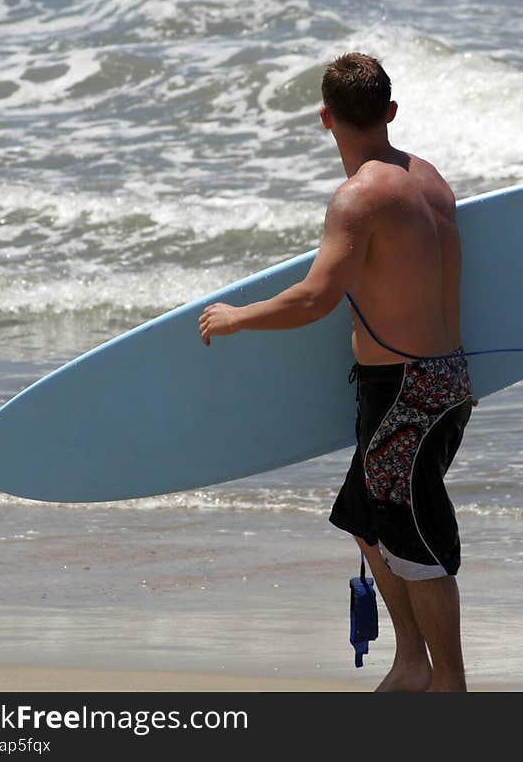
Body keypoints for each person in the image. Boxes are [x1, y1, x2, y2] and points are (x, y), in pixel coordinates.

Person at [198, 52, 473, 692]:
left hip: (407, 391)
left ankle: (450, 688)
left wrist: (236, 318)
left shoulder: (358, 199)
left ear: (326, 119)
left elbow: (315, 298)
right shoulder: (429, 179)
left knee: (418, 545)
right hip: (442, 381)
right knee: (364, 518)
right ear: (391, 112)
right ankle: (411, 662)